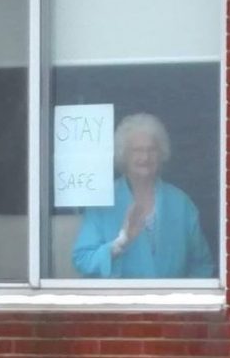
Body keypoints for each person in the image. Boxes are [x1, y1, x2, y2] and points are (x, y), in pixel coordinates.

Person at [72, 113, 214, 279]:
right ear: (123, 155)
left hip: (173, 302)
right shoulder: (103, 199)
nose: (145, 157)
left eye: (151, 150)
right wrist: (121, 242)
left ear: (161, 153)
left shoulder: (180, 202)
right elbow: (82, 260)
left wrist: (188, 300)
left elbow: (202, 265)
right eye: (137, 150)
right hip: (119, 302)